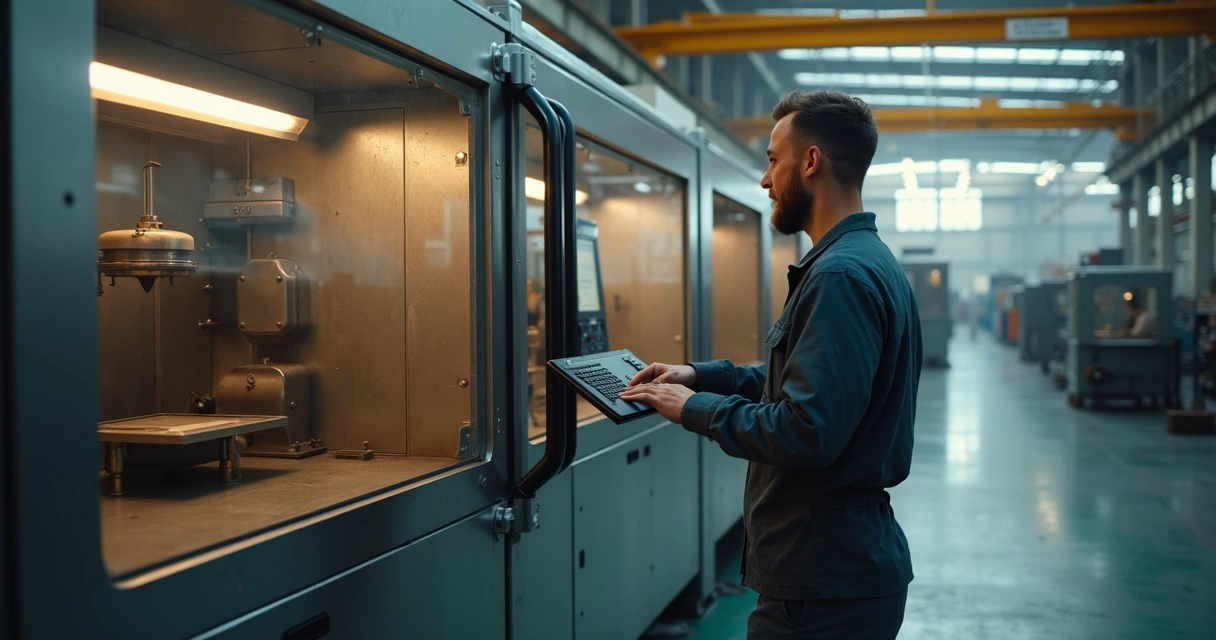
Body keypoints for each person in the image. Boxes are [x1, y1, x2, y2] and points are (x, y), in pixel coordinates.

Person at [619, 90, 921, 639]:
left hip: (820, 583)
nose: (765, 180)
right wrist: (700, 376)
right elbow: (804, 386)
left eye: (773, 160)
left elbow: (807, 428)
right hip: (836, 568)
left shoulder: (839, 277)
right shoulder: (864, 262)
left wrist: (696, 409)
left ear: (811, 162)